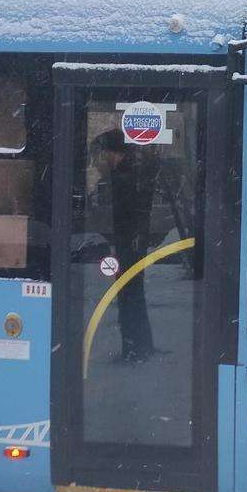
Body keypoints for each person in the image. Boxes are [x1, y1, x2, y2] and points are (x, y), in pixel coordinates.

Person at [88, 128, 158, 361]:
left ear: (112, 152)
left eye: (100, 154)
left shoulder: (124, 175)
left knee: (129, 295)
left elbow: (115, 213)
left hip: (127, 246)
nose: (98, 161)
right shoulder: (132, 171)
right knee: (134, 294)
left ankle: (133, 347)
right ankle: (140, 344)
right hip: (130, 245)